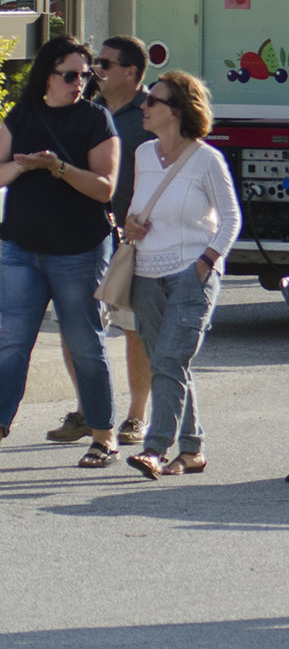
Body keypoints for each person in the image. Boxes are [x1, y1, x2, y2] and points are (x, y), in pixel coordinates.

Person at [0, 37, 121, 460]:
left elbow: (106, 188)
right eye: (70, 75)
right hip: (19, 246)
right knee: (11, 340)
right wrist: (21, 164)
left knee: (84, 342)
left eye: (86, 75)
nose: (79, 83)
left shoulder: (96, 119)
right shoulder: (23, 113)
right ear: (47, 74)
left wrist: (59, 168)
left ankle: (104, 435)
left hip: (78, 249)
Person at [116, 71, 238, 480]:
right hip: (146, 274)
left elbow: (231, 218)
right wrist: (132, 225)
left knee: (169, 359)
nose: (145, 107)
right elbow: (138, 209)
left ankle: (154, 448)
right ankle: (192, 450)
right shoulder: (144, 154)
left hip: (191, 275)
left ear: (178, 111)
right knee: (167, 364)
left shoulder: (207, 159)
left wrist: (206, 262)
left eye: (154, 101)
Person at [49, 36, 156, 447]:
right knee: (75, 327)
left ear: (131, 72)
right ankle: (88, 411)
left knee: (134, 328)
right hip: (83, 234)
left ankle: (135, 417)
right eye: (95, 64)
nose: (95, 72)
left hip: (135, 239)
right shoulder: (85, 111)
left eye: (105, 65)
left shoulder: (154, 111)